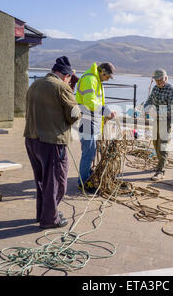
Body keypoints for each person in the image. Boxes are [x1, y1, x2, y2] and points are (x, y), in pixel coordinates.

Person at [24, 56, 81, 229]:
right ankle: (50, 218)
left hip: (32, 139)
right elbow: (73, 115)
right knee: (57, 181)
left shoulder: (35, 84)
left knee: (41, 181)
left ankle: (44, 213)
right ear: (66, 76)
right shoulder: (62, 87)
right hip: (52, 142)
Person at [75, 62, 116, 193]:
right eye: (108, 76)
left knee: (91, 151)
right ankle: (84, 182)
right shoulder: (90, 80)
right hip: (88, 120)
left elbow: (98, 101)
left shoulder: (96, 80)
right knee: (88, 152)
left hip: (93, 121)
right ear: (102, 72)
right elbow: (89, 102)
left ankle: (87, 175)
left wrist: (106, 112)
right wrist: (105, 111)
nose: (108, 79)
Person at [144, 69, 173, 181]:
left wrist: (157, 113)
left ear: (166, 78)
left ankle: (161, 171)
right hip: (156, 119)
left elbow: (172, 109)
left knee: (163, 145)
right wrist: (146, 109)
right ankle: (161, 162)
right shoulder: (154, 89)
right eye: (157, 80)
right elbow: (148, 101)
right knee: (155, 143)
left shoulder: (171, 90)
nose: (159, 82)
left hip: (167, 120)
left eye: (161, 80)